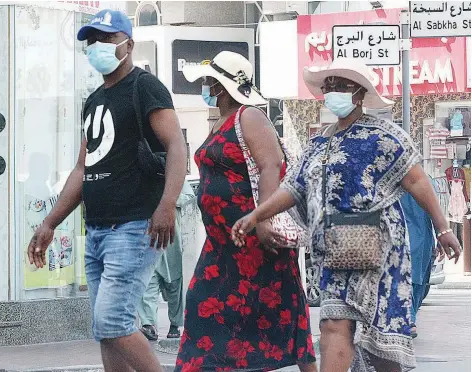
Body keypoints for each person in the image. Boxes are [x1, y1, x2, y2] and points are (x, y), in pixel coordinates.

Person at [232, 58, 462, 372]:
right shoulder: (317, 145)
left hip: (381, 251)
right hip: (335, 248)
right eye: (328, 87)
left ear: (358, 93)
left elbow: (418, 181)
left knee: (383, 342)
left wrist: (443, 228)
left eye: (339, 86)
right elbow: (292, 189)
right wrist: (256, 216)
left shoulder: (384, 136)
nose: (331, 92)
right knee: (333, 323)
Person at [27, 9, 187, 372]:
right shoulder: (94, 99)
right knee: (106, 329)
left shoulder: (144, 86)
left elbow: (176, 146)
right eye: (92, 40)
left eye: (107, 38)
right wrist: (50, 222)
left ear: (128, 44)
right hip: (98, 229)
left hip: (133, 227)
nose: (97, 46)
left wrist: (167, 204)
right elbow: (83, 168)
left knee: (113, 321)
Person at [175, 51, 317, 372]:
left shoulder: (249, 117)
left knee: (281, 313)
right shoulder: (221, 121)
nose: (206, 86)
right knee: (206, 310)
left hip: (252, 240)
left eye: (210, 81)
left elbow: (271, 164)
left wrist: (263, 218)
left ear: (222, 86)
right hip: (222, 245)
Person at [138, 180, 195, 341]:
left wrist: (167, 200)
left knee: (174, 283)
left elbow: (190, 200)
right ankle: (148, 324)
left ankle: (175, 324)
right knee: (148, 282)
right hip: (148, 238)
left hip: (172, 240)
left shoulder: (176, 177)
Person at [400, 191, 439, 338]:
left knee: (410, 281)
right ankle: (410, 319)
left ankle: (408, 319)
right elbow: (434, 211)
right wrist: (441, 233)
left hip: (407, 238)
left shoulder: (390, 180)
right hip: (420, 239)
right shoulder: (425, 182)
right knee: (417, 281)